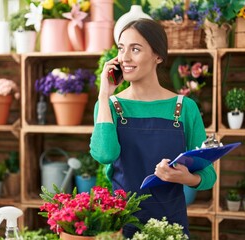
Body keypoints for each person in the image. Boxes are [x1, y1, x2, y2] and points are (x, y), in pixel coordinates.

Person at [89, 18, 217, 238]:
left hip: (171, 226)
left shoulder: (184, 108)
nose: (125, 58)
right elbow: (104, 154)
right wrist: (103, 94)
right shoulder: (108, 106)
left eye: (135, 49)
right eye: (121, 49)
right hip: (122, 224)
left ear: (158, 56)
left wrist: (185, 178)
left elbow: (208, 176)